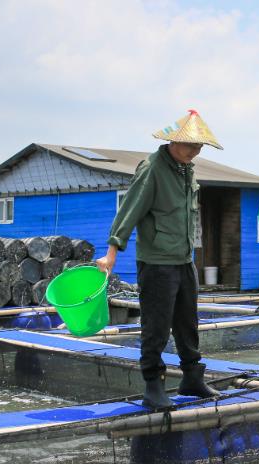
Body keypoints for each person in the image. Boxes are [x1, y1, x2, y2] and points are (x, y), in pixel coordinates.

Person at [96, 109, 223, 409]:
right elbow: (130, 210)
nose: (194, 151)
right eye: (190, 145)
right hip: (156, 263)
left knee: (187, 322)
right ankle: (153, 385)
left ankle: (192, 377)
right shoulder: (152, 168)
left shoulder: (186, 170)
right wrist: (111, 253)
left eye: (199, 147)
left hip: (183, 260)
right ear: (173, 142)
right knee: (156, 326)